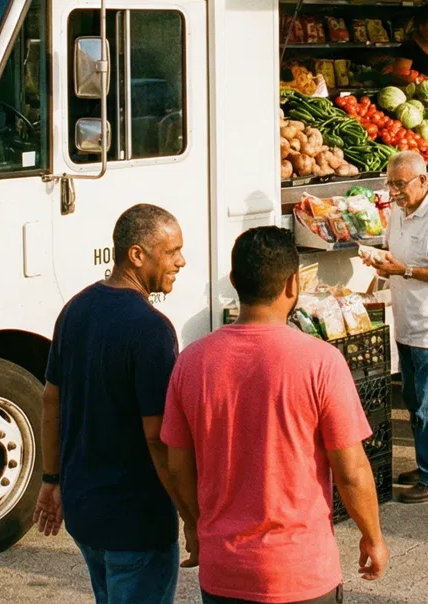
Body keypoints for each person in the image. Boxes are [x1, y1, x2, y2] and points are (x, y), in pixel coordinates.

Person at [161, 226, 387, 603]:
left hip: (224, 573)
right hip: (301, 572)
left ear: (234, 281)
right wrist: (373, 536)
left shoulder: (191, 363)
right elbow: (352, 470)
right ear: (292, 285)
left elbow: (178, 468)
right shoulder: (321, 362)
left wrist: (198, 526)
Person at [37, 204, 195, 604]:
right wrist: (191, 516)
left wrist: (51, 480)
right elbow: (158, 438)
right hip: (135, 523)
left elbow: (50, 399)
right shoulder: (152, 330)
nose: (181, 261)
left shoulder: (75, 307)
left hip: (85, 512)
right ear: (137, 255)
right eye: (172, 251)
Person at [370, 151, 428, 504]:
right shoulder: (398, 210)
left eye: (401, 184)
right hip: (408, 322)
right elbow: (396, 256)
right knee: (413, 400)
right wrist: (382, 264)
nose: (394, 191)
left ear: (423, 181)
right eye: (390, 183)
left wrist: (404, 271)